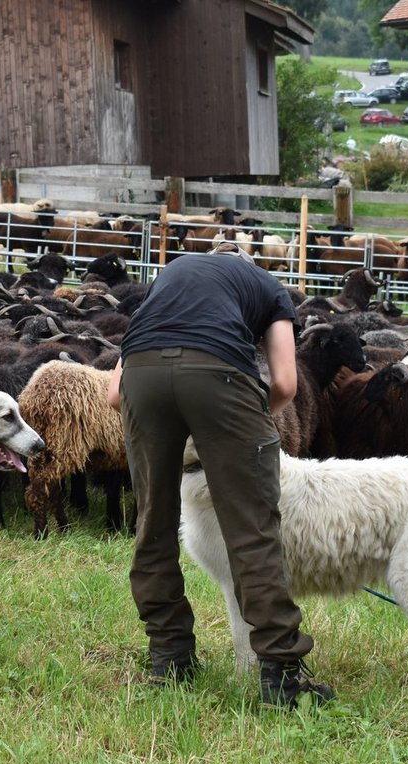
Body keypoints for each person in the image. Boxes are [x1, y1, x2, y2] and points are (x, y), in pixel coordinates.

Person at [105, 241, 333, 710]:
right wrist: (247, 426)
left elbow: (112, 395)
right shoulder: (270, 289)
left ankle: (169, 657)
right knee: (251, 529)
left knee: (153, 525)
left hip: (141, 377)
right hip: (219, 375)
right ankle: (282, 677)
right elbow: (287, 384)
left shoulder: (171, 277)